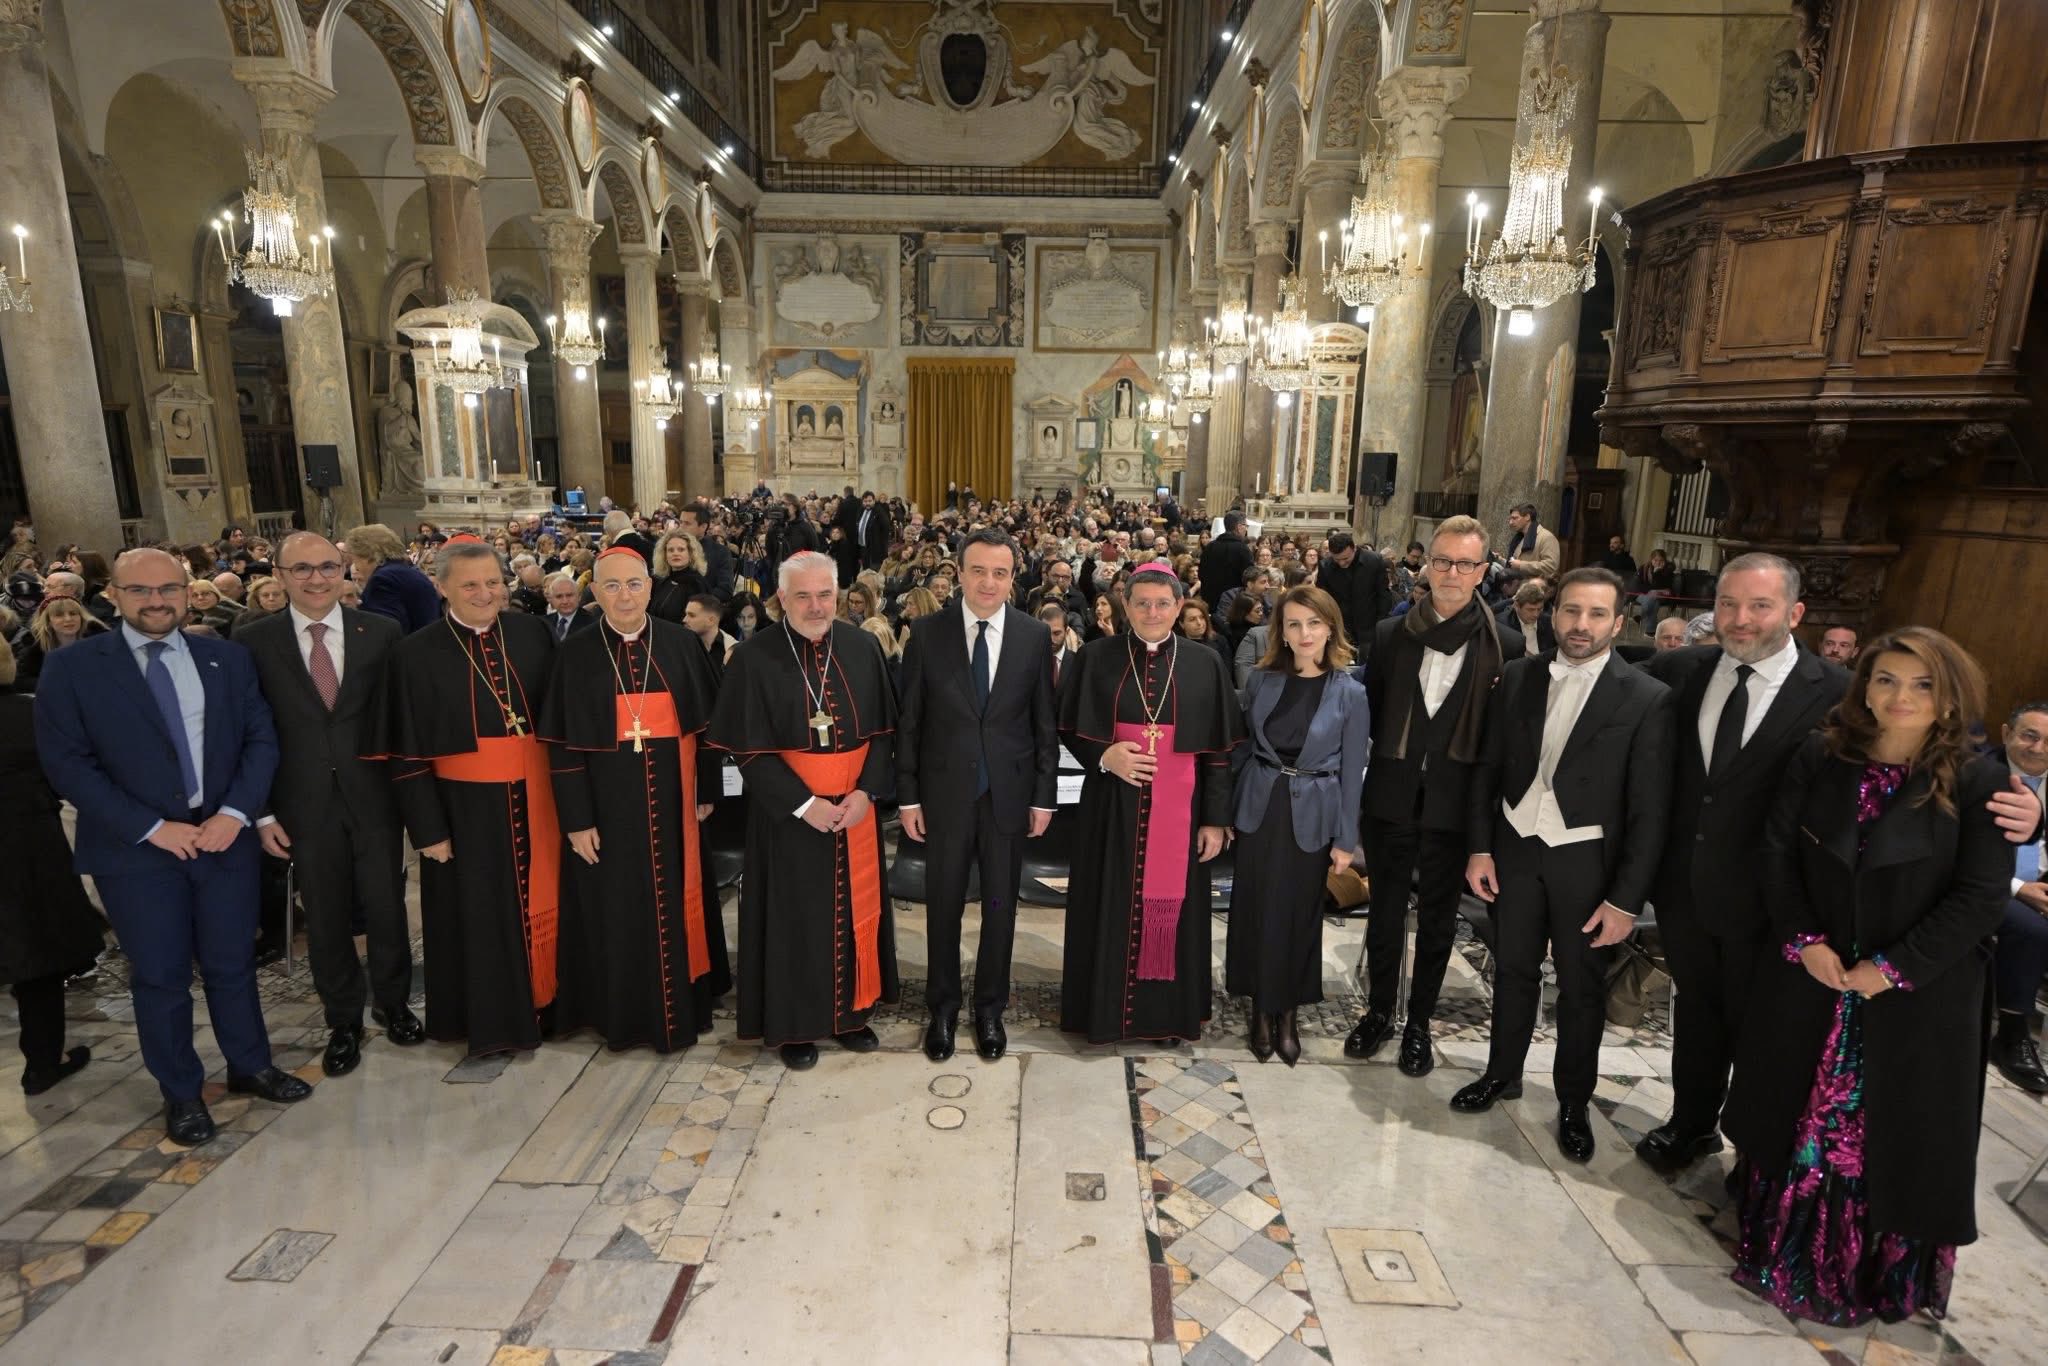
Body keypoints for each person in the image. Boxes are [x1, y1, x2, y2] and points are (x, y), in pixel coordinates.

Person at [1725, 628, 2015, 1327]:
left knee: (1884, 1135)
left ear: (1950, 695)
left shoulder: (1977, 779)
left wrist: (1891, 968)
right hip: (1816, 974)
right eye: (1885, 679)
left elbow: (1980, 896)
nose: (1901, 697)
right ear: (1864, 685)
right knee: (1795, 1112)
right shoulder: (1825, 753)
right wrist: (1804, 941)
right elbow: (1776, 853)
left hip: (1913, 993)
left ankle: (1862, 1271)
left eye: (1922, 684)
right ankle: (1780, 1245)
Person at [34, 548, 309, 1145]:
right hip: (136, 851)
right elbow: (68, 765)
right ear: (114, 595)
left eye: (168, 589)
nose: (156, 601)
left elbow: (259, 739)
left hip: (221, 839)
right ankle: (181, 1092)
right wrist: (153, 828)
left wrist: (236, 814)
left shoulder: (226, 658)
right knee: (160, 976)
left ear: (186, 592)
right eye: (141, 590)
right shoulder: (76, 669)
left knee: (232, 963)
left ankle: (249, 1065)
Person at [1631, 554, 1853, 1173]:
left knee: (1770, 1034)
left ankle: (1757, 1153)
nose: (1741, 619)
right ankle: (1691, 1124)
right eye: (1728, 604)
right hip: (1688, 891)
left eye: (1760, 606)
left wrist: (2026, 811)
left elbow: (1909, 766)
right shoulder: (1679, 671)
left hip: (1778, 903)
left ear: (1795, 612)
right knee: (1698, 1014)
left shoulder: (1838, 693)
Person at [1451, 568, 1674, 1162]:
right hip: (1517, 849)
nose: (1581, 625)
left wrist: (1627, 899)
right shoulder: (1518, 677)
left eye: (1596, 614)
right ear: (1553, 614)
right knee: (1514, 971)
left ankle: (1573, 1101)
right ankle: (1502, 1073)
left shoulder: (1648, 697)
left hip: (1587, 862)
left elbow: (1650, 811)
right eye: (1571, 611)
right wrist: (1480, 847)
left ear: (1620, 623)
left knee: (1581, 989)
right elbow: (1488, 771)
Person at [705, 551, 898, 1070]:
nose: (816, 607)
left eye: (825, 595)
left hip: (855, 809)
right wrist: (803, 804)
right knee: (795, 919)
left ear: (839, 595)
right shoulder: (754, 656)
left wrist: (866, 794)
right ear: (782, 600)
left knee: (858, 911)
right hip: (789, 814)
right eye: (803, 596)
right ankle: (795, 1025)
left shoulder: (862, 647)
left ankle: (852, 1016)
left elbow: (884, 735)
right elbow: (748, 750)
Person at [1346, 516, 1523, 1072]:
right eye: (1442, 560)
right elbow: (1370, 715)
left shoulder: (1508, 645)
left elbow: (1504, 743)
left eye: (1466, 563)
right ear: (1428, 565)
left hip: (1456, 807)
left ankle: (1419, 1023)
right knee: (1385, 915)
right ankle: (1378, 1012)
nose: (1451, 572)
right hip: (1391, 798)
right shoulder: (1390, 635)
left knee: (1441, 921)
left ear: (1484, 570)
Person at [242, 532, 420, 1079]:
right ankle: (342, 1017)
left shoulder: (381, 633)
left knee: (388, 905)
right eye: (301, 569)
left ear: (345, 570)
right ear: (279, 573)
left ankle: (393, 1002)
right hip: (302, 802)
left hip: (375, 797)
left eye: (326, 567)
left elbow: (403, 718)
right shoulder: (252, 640)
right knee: (324, 914)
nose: (315, 579)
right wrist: (263, 813)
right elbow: (249, 731)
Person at [542, 548, 727, 1054]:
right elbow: (561, 746)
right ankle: (621, 1014)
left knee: (677, 902)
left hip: (674, 806)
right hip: (608, 812)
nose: (625, 595)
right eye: (612, 586)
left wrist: (706, 791)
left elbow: (709, 729)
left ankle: (686, 1004)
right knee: (616, 912)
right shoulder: (576, 653)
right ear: (595, 593)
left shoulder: (681, 644)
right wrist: (576, 820)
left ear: (650, 586)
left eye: (634, 584)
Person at [380, 541, 561, 1056]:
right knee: (477, 918)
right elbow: (407, 752)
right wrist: (429, 831)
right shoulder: (415, 654)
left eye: (494, 582)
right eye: (470, 585)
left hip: (538, 799)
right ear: (441, 588)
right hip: (464, 813)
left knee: (544, 906)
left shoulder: (533, 634)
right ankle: (491, 1022)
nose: (486, 594)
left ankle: (548, 1005)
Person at [1057, 566, 1242, 1044]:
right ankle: (1103, 1015)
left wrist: (1216, 819)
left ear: (1179, 607)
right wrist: (1104, 755)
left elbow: (1219, 752)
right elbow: (1068, 730)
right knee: (1106, 903)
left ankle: (1165, 1017)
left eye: (1163, 603)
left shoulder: (1205, 664)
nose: (1152, 612)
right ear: (1126, 606)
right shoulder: (1097, 657)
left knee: (1176, 914)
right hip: (1109, 807)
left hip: (1182, 815)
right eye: (1142, 603)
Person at [897, 530, 1058, 1064]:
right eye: (978, 571)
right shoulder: (926, 633)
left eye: (1000, 573)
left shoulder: (1035, 636)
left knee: (999, 908)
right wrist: (908, 798)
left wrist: (1043, 797)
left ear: (1014, 578)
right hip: (944, 797)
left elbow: (1043, 726)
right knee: (942, 906)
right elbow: (910, 724)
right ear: (958, 573)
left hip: (1008, 798)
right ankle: (941, 1007)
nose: (989, 582)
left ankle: (990, 1007)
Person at [1230, 586, 1370, 1065]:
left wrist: (1346, 841)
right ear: (1281, 632)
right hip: (1260, 807)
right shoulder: (1261, 681)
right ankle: (1257, 1009)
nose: (1304, 633)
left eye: (1313, 623)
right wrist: (1226, 813)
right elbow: (1244, 748)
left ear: (1330, 627)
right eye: (1293, 624)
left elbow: (1354, 772)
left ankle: (1286, 1013)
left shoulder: (1350, 692)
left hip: (1314, 813)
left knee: (1298, 917)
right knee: (1254, 912)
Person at [0, 640, 104, 1095]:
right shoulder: (31, 714)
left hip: (25, 848)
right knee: (34, 956)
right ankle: (42, 1062)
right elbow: (71, 775)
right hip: (27, 852)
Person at [1990, 699, 2048, 1092]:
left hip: (2041, 884)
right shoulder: (1975, 775)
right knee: (2031, 929)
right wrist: (2019, 889)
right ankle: (2011, 1035)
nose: (2039, 748)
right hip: (1986, 886)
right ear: (2007, 734)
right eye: (2030, 735)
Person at [349, 523, 442, 634]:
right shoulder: (412, 573)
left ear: (368, 556)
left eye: (355, 560)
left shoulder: (383, 580)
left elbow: (385, 631)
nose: (357, 567)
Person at [1315, 531, 1391, 656]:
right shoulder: (1326, 566)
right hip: (1340, 626)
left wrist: (1380, 624)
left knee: (1367, 665)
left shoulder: (1374, 560)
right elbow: (1322, 599)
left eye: (1345, 558)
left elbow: (1383, 594)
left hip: (1370, 624)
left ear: (1354, 548)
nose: (1341, 563)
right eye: (1336, 559)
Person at [1197, 511, 1254, 622]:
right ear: (1238, 527)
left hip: (1210, 605)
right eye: (1245, 526)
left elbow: (1201, 574)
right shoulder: (1243, 549)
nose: (1246, 529)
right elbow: (1249, 578)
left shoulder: (1210, 547)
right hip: (1234, 606)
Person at [648, 529, 709, 623]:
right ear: (665, 555)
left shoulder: (696, 584)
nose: (675, 553)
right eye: (670, 550)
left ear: (691, 554)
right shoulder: (661, 581)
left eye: (681, 549)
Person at [1499, 503, 1561, 589]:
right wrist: (1500, 560)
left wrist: (1521, 565)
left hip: (1535, 592)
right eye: (1510, 519)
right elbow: (1516, 563)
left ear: (1527, 517)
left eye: (1515, 518)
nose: (1511, 522)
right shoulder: (1519, 538)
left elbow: (1551, 566)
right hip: (1518, 589)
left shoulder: (1547, 537)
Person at [683, 592, 735, 673]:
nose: (684, 620)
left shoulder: (732, 651)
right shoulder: (681, 644)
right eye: (686, 614)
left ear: (711, 620)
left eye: (691, 615)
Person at [1507, 580, 1554, 656]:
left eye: (1539, 609)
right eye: (1530, 610)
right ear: (1517, 606)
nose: (1536, 614)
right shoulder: (1505, 625)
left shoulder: (1548, 621)